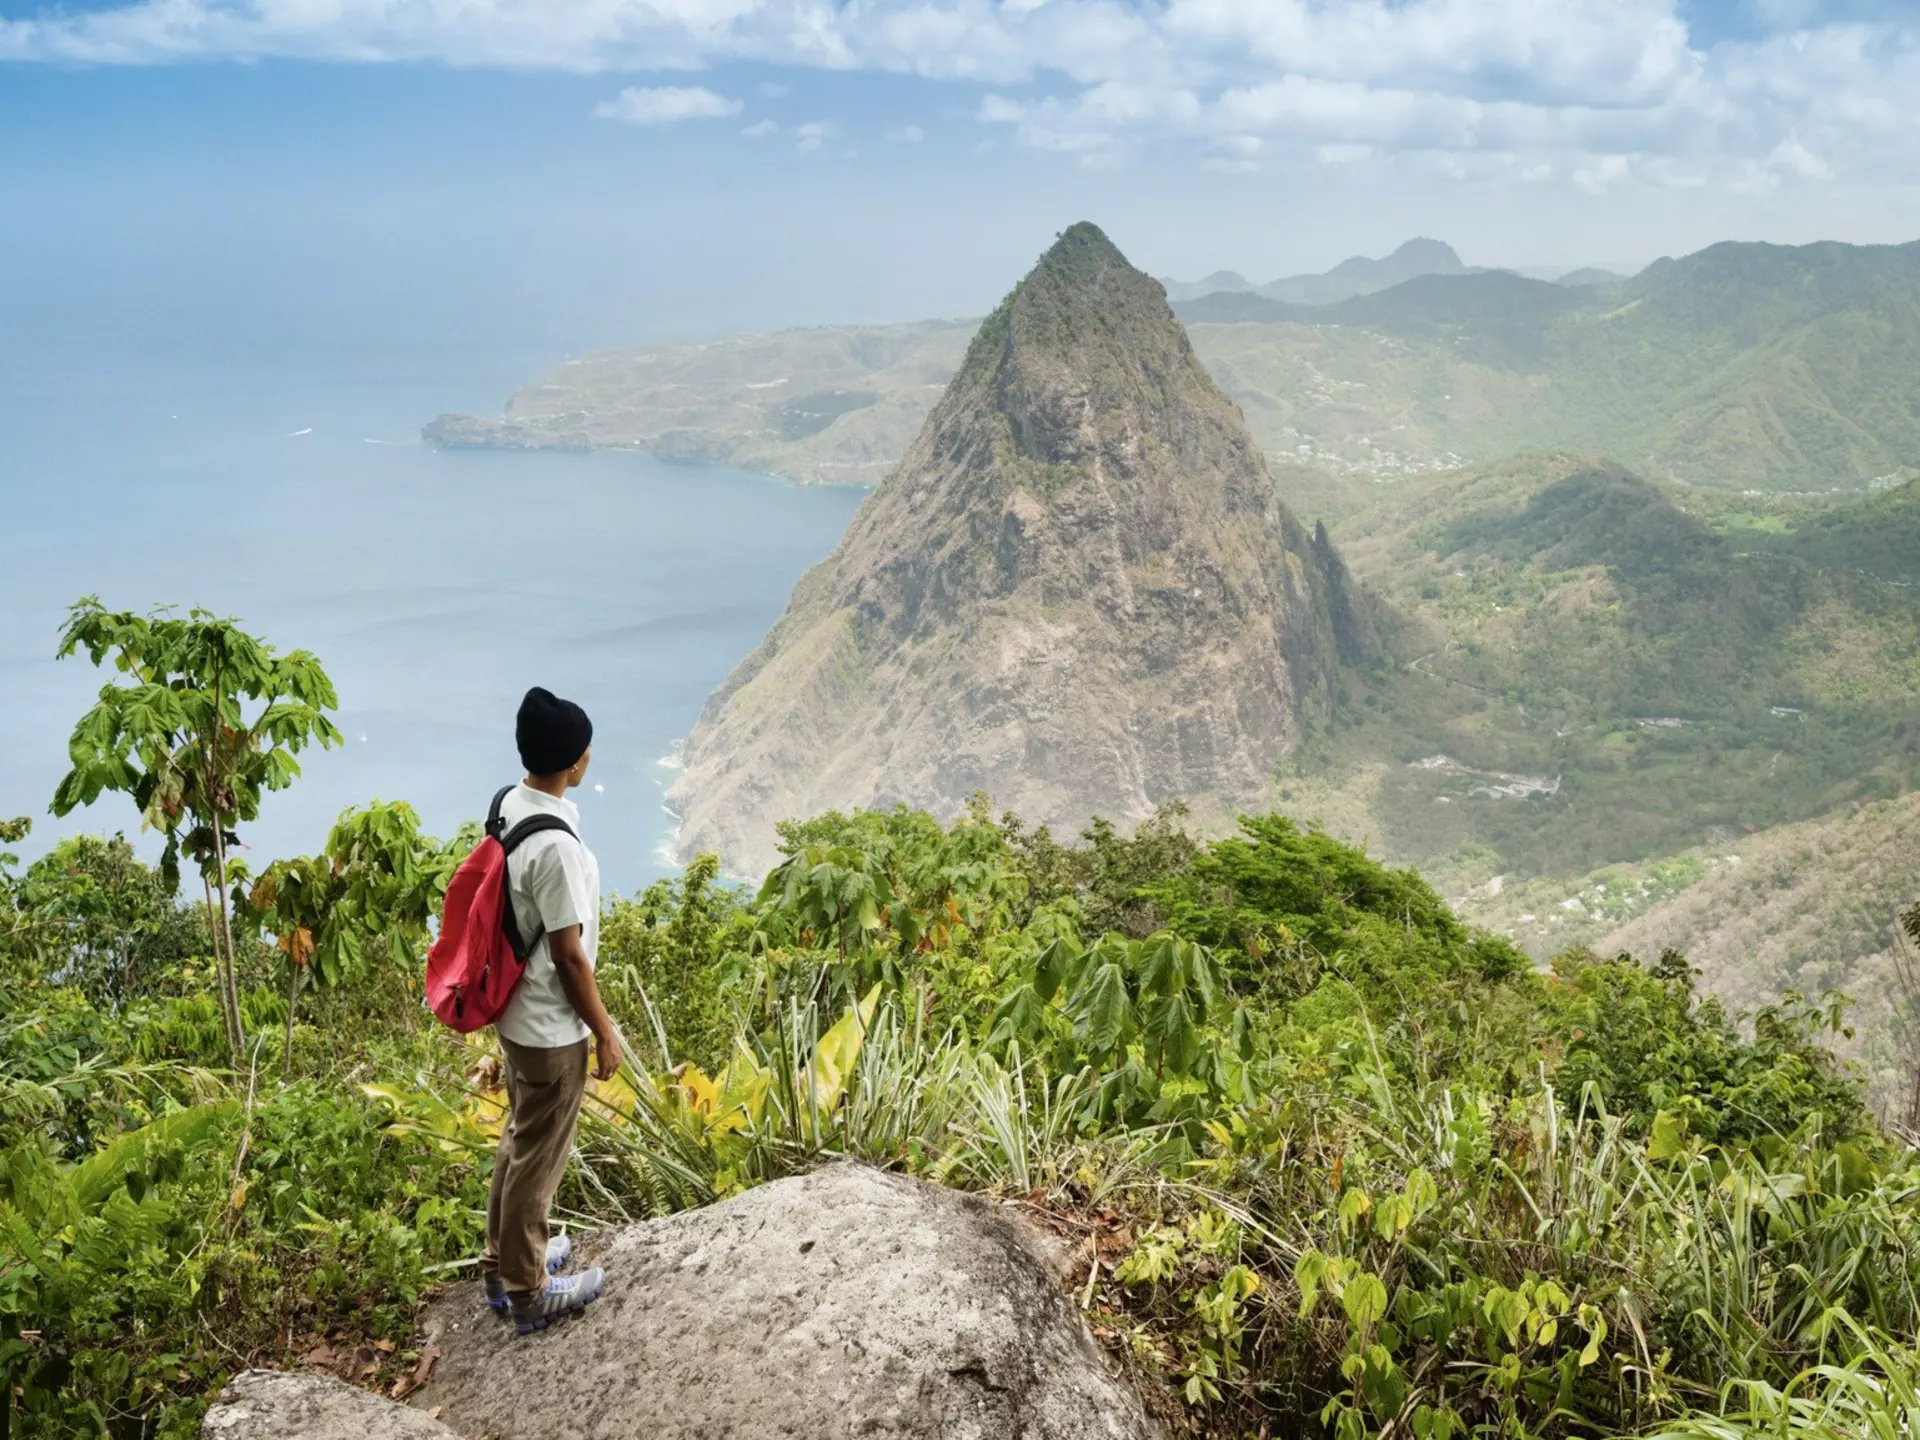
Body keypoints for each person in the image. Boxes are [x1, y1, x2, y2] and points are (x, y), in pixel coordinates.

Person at [479, 686, 623, 1335]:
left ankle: (502, 1263)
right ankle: (530, 1290)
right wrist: (605, 1032)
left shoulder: (510, 804)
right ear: (577, 765)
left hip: (515, 1013)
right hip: (549, 1025)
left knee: (519, 1140)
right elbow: (570, 957)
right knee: (540, 1157)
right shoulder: (558, 849)